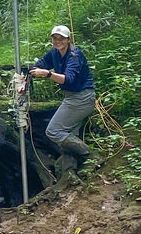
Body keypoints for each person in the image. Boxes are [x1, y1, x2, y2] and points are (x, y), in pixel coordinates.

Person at [29, 24, 97, 173]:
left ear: (68, 40)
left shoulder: (75, 55)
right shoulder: (54, 52)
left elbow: (68, 79)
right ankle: (69, 174)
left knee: (54, 131)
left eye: (61, 39)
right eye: (55, 38)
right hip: (72, 97)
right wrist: (27, 77)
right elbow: (38, 65)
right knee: (69, 135)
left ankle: (92, 156)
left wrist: (48, 74)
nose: (58, 41)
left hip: (82, 98)